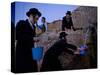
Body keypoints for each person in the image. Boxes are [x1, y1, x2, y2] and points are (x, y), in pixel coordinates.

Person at [16, 8, 41, 73]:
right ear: (31, 15)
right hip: (22, 57)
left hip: (31, 57)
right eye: (36, 18)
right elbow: (17, 36)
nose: (36, 21)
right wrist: (32, 38)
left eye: (37, 19)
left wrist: (36, 54)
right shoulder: (21, 23)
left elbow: (33, 42)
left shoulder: (34, 27)